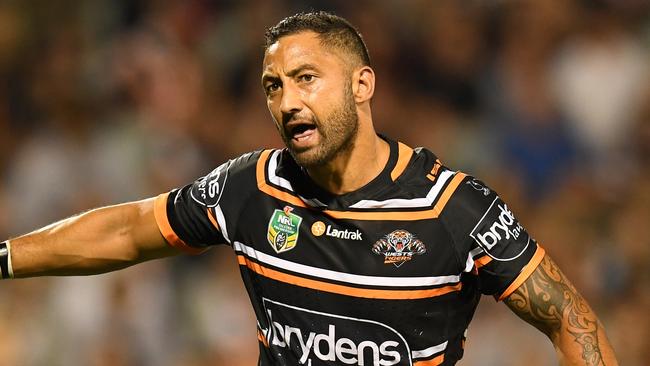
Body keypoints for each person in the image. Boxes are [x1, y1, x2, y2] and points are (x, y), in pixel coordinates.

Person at [2, 11, 618, 366]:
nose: (288, 102)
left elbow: (570, 320)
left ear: (362, 85)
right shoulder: (253, 187)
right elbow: (128, 230)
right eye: (273, 86)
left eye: (305, 79)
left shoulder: (449, 207)